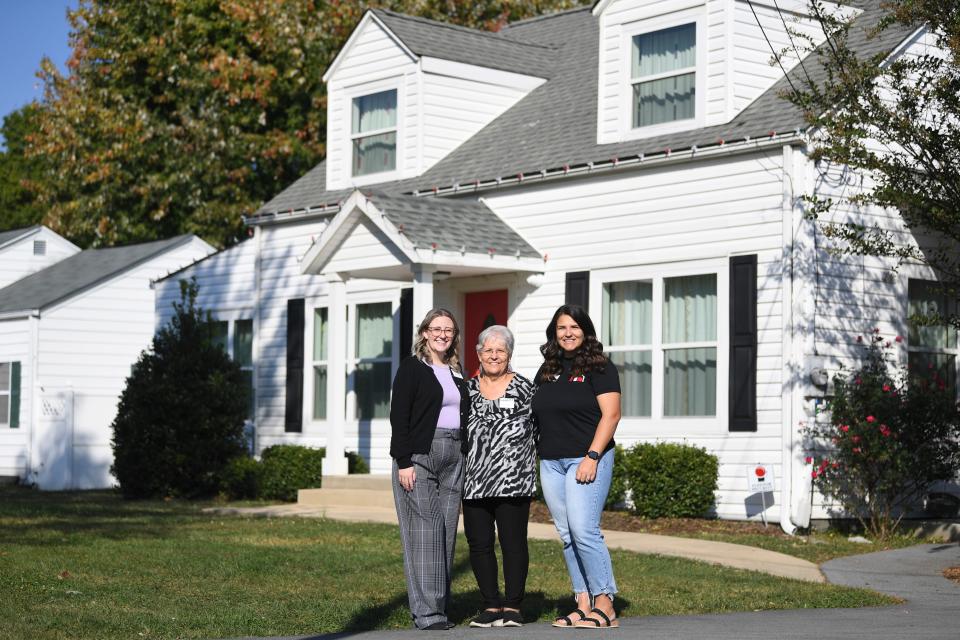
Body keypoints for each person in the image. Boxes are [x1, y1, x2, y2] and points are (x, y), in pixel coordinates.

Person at [531, 304, 622, 629]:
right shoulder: (548, 368)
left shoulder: (600, 367)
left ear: (585, 330)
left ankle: (605, 603)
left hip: (586, 459)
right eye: (561, 328)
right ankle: (582, 602)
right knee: (567, 534)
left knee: (585, 530)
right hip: (551, 462)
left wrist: (593, 456)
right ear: (554, 333)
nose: (568, 333)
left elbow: (611, 415)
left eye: (574, 327)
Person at [390, 308, 470, 630]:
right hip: (419, 455)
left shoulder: (456, 371)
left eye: (448, 330)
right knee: (426, 532)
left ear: (454, 336)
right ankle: (428, 614)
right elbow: (399, 415)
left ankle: (439, 607)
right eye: (436, 329)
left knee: (447, 531)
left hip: (454, 456)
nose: (442, 334)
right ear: (425, 333)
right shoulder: (412, 368)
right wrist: (403, 460)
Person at [462, 325, 537, 628]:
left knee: (513, 543)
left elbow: (540, 429)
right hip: (474, 480)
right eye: (488, 350)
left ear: (509, 354)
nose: (494, 355)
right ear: (478, 353)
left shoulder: (525, 388)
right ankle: (491, 605)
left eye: (500, 350)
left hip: (513, 480)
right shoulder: (464, 390)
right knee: (479, 544)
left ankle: (514, 606)